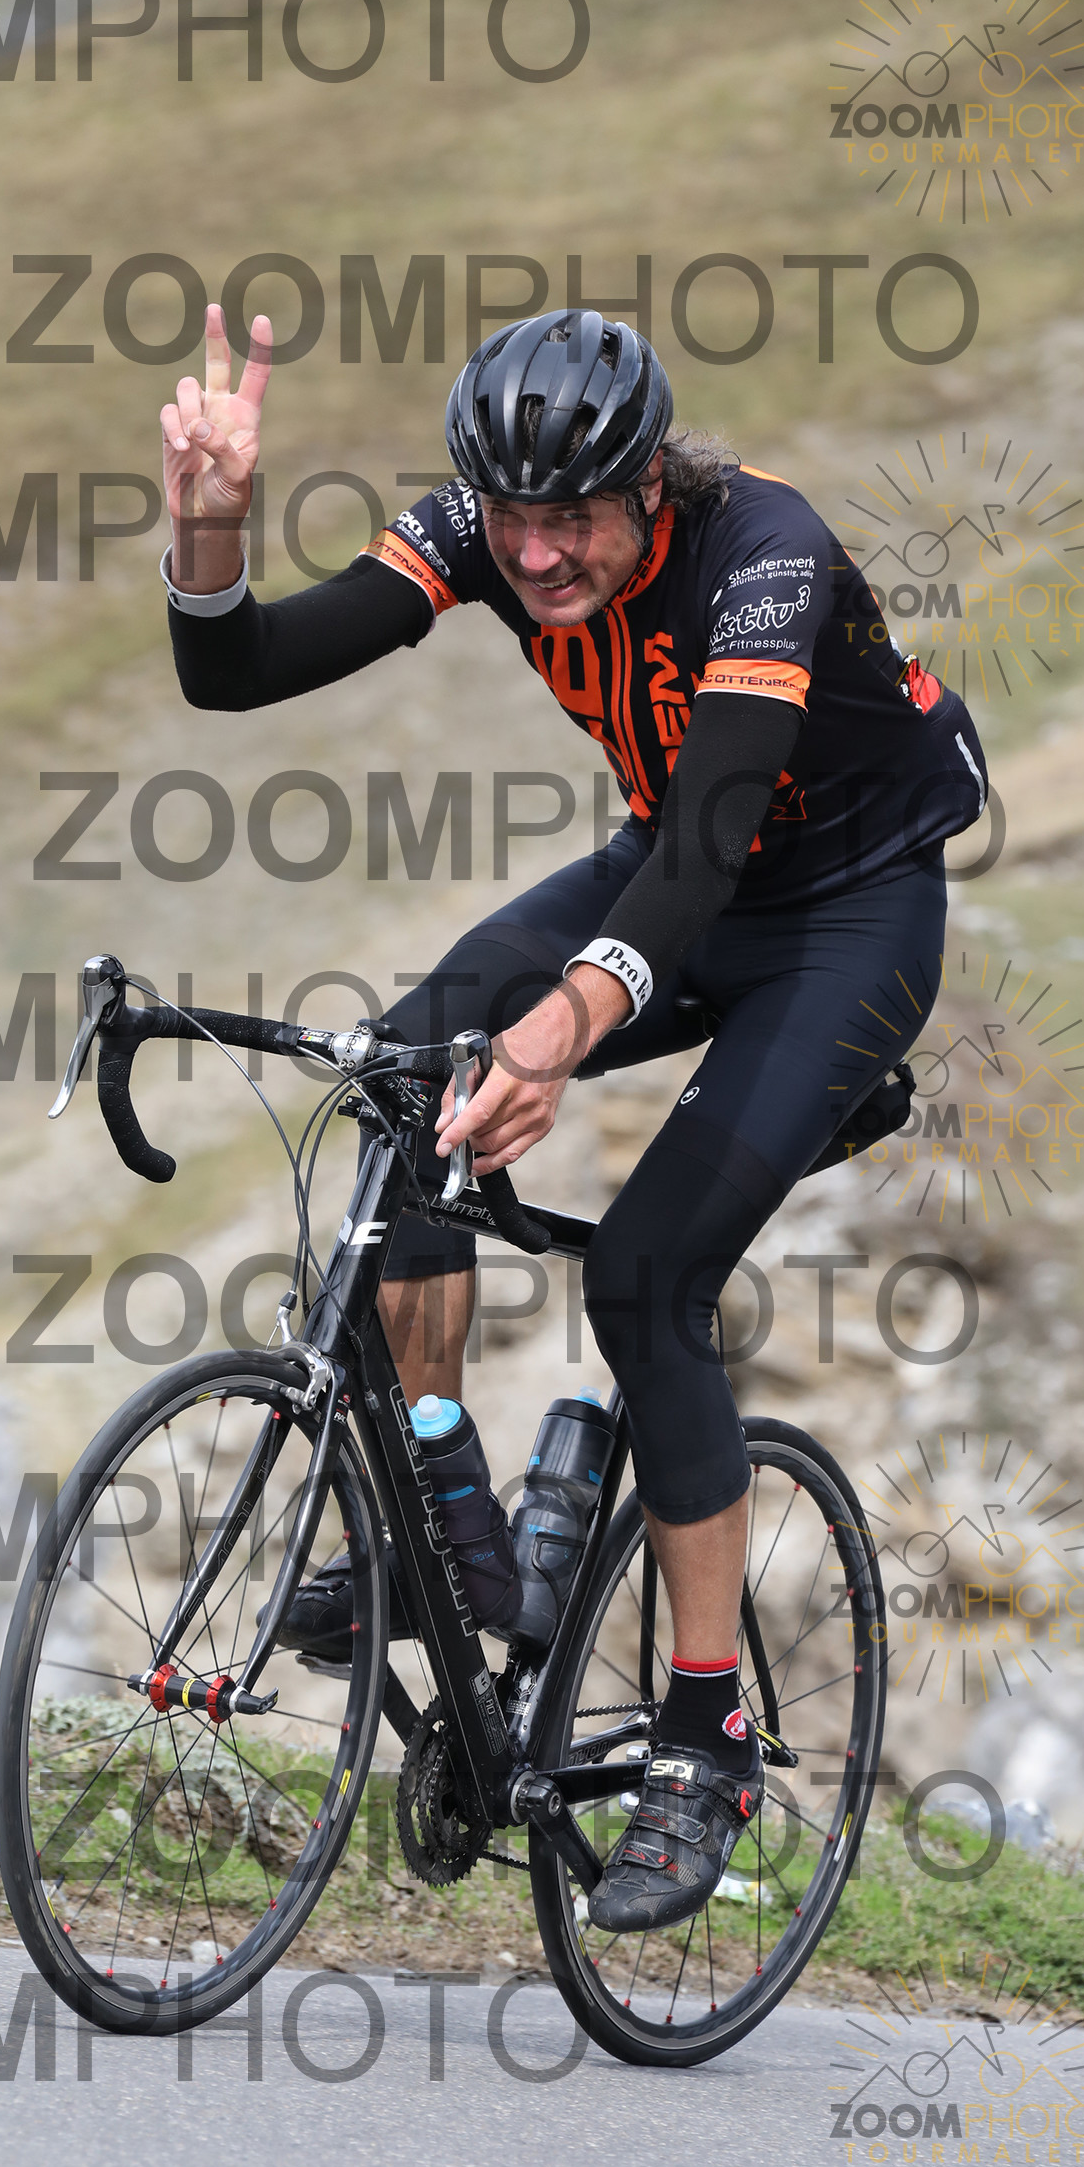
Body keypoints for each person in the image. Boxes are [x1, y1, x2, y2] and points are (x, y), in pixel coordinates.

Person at [159, 305, 987, 1931]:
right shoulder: (490, 527)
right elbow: (235, 673)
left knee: (645, 1279)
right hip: (669, 869)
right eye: (511, 519)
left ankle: (706, 1739)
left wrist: (561, 1029)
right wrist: (209, 532)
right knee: (409, 1078)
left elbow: (714, 838)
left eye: (575, 521)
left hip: (841, 917)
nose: (536, 555)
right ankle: (453, 1525)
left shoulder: (765, 554)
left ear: (649, 486)